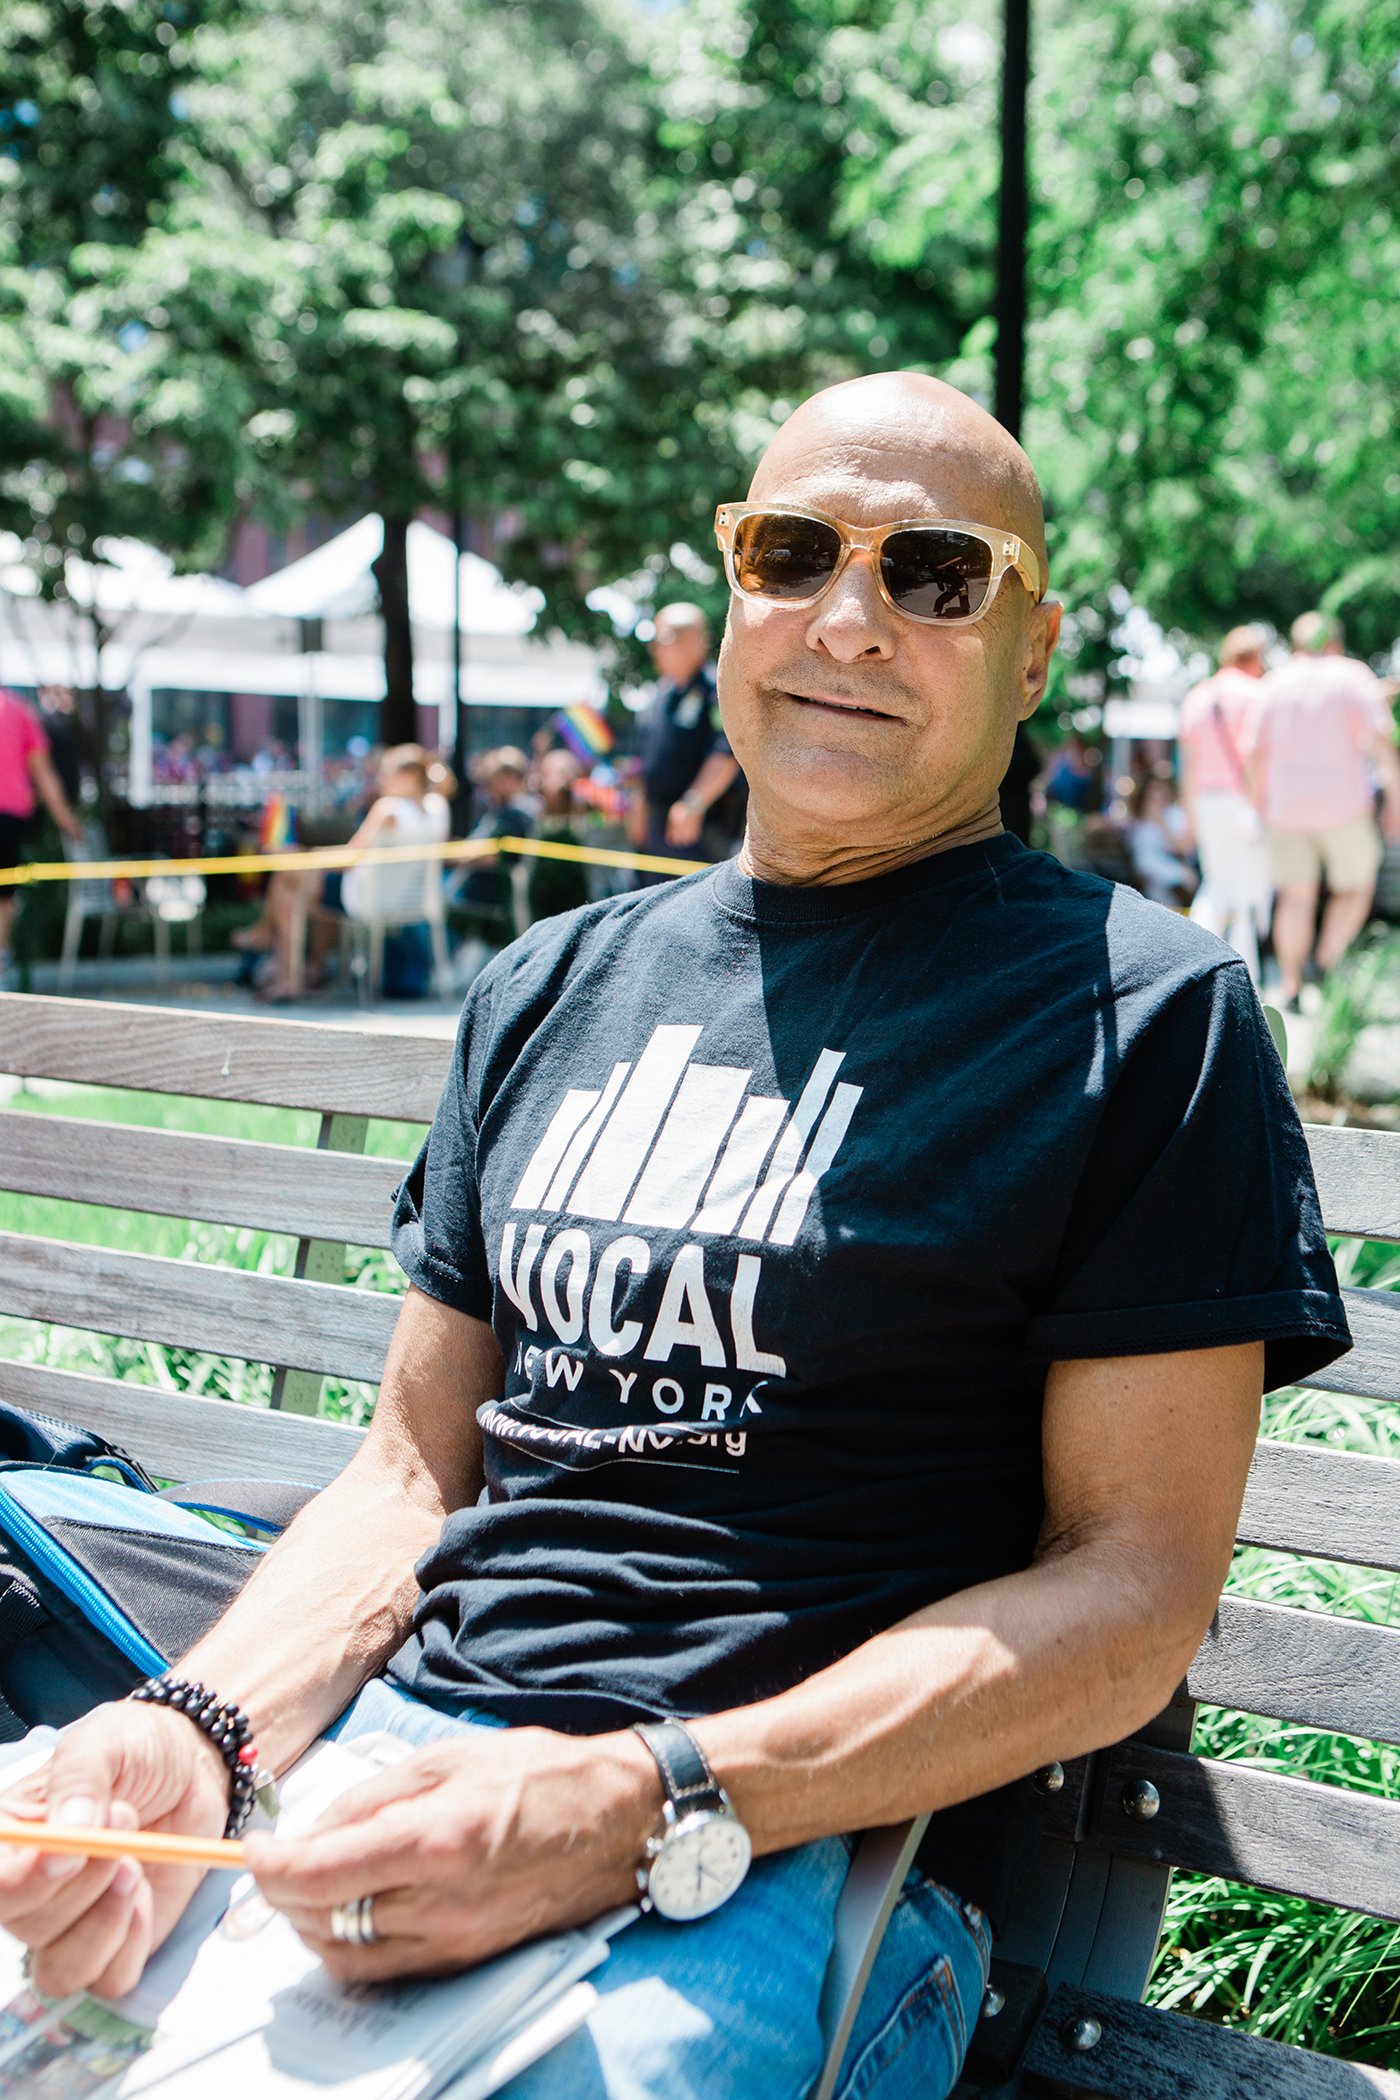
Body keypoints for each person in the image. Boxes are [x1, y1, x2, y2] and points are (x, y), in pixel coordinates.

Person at [0, 376, 1351, 2100]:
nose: (848, 618)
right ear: (733, 594)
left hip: (806, 1847)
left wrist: (645, 1800)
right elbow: (414, 1482)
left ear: (1034, 652)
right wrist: (195, 1737)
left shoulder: (1141, 1016)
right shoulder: (556, 982)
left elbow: (1135, 1595)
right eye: (792, 553)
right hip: (394, 1772)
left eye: (936, 575)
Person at [1249, 611, 1400, 1007]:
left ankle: (1292, 984)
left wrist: (1258, 803)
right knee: (1356, 886)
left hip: (1285, 809)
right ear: (1334, 641)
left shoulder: (1274, 683)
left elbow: (1254, 753)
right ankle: (1325, 959)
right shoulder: (1353, 676)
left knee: (1295, 898)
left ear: (1297, 644)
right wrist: (1396, 804)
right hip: (1343, 808)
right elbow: (1381, 746)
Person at [243, 745, 452, 1001]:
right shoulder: (438, 808)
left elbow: (351, 856)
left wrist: (303, 854)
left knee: (288, 879)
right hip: (413, 901)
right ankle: (307, 967)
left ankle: (287, 976)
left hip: (369, 900)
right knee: (301, 879)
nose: (380, 780)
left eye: (386, 773)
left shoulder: (388, 808)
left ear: (408, 777)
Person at [1178, 627, 1271, 983]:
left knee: (1216, 883)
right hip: (1245, 803)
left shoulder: (1198, 697)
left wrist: (1189, 812)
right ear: (1256, 658)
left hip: (1206, 802)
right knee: (1246, 893)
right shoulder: (1258, 695)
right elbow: (1259, 758)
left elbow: (1187, 763)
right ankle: (1245, 979)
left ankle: (1195, 967)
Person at [629, 604, 742, 873]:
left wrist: (693, 803)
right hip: (658, 824)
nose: (655, 649)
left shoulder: (715, 688)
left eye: (663, 639)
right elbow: (646, 760)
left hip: (700, 827)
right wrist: (639, 806)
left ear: (694, 642)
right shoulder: (661, 694)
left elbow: (726, 752)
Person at [0, 685, 83, 986]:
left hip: (8, 813)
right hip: (8, 815)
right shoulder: (19, 709)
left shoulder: (19, 711)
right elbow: (42, 771)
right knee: (4, 898)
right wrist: (67, 820)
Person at [1126, 773, 1197, 907]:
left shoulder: (1175, 814)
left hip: (1169, 870)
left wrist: (1161, 822)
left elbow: (1182, 849)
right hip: (1145, 873)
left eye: (1160, 790)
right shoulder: (1138, 820)